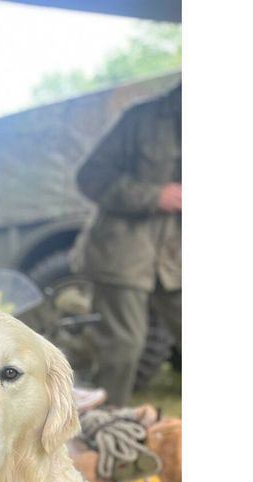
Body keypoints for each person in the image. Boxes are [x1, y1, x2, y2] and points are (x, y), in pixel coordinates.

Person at [74, 83, 182, 408]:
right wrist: (154, 196)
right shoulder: (142, 119)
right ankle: (107, 422)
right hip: (124, 252)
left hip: (176, 256)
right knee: (122, 347)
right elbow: (90, 177)